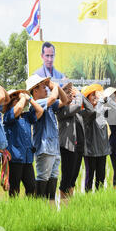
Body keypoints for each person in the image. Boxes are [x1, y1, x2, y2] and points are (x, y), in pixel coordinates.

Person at [27, 74, 69, 204]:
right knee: (43, 177)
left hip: (54, 147)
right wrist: (53, 85)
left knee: (53, 177)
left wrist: (53, 85)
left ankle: (50, 207)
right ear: (35, 90)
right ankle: (41, 208)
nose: (46, 89)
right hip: (44, 148)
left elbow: (65, 100)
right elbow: (52, 98)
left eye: (46, 87)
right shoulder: (36, 103)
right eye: (43, 87)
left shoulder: (49, 103)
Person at [3, 89, 43, 198]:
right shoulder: (8, 116)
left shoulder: (26, 116)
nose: (20, 101)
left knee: (32, 187)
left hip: (27, 158)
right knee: (15, 189)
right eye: (15, 100)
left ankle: (28, 211)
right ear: (10, 104)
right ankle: (15, 211)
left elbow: (40, 111)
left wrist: (29, 99)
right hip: (15, 158)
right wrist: (22, 98)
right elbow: (19, 108)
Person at [79, 84, 113, 192]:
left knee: (101, 177)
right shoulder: (84, 112)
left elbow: (115, 110)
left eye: (96, 94)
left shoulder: (101, 109)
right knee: (90, 177)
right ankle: (88, 199)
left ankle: (100, 199)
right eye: (92, 95)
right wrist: (101, 101)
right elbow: (94, 113)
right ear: (86, 98)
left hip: (102, 150)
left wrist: (106, 98)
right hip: (90, 151)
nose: (95, 97)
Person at [56, 83, 85, 201]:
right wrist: (78, 95)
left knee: (73, 178)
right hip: (68, 147)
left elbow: (89, 109)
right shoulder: (61, 110)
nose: (69, 94)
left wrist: (80, 95)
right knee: (66, 178)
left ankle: (70, 204)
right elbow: (78, 106)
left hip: (78, 147)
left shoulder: (75, 111)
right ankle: (63, 205)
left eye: (70, 91)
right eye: (65, 92)